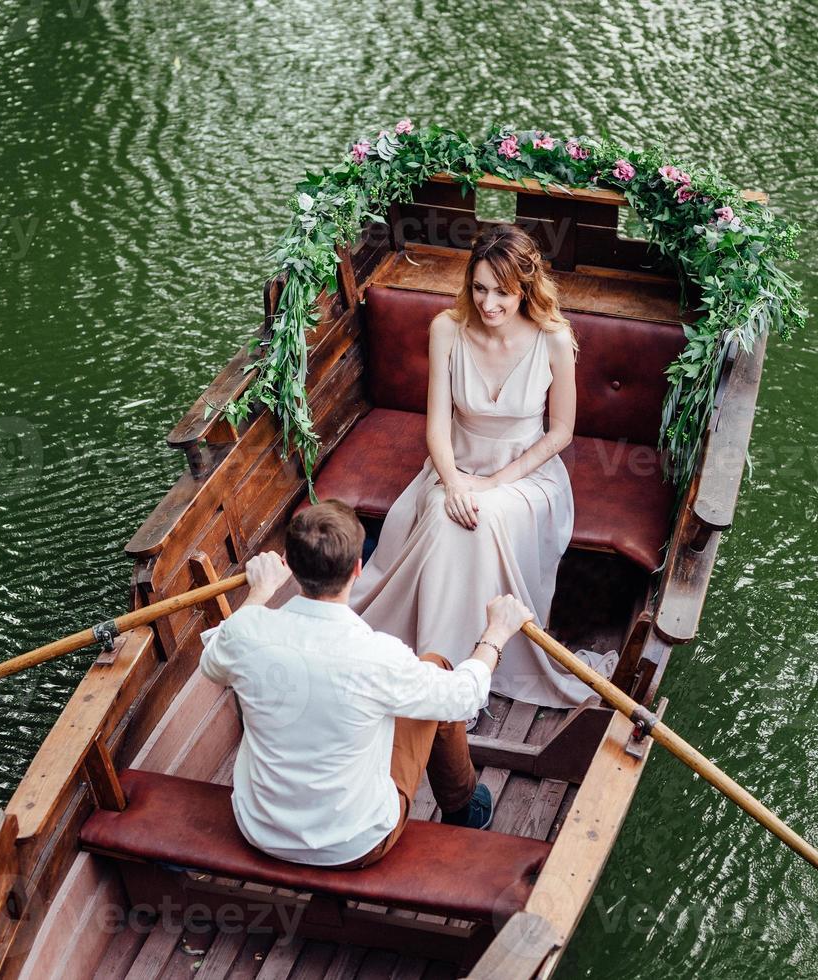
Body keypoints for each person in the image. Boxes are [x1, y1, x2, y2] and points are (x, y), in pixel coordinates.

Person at [199, 501, 534, 868]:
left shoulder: (246, 631)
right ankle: (464, 807)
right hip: (353, 845)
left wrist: (259, 593)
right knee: (436, 669)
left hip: (261, 830)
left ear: (291, 570)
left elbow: (214, 661)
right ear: (358, 568)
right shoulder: (379, 656)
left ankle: (463, 802)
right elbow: (464, 696)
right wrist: (496, 633)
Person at [349, 222, 597, 710]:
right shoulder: (446, 329)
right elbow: (437, 429)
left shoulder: (554, 339)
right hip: (454, 464)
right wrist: (454, 481)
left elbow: (560, 432)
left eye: (503, 293)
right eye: (480, 289)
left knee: (481, 520)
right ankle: (435, 668)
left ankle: (457, 676)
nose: (489, 305)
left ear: (526, 287)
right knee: (447, 513)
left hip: (527, 478)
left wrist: (495, 483)